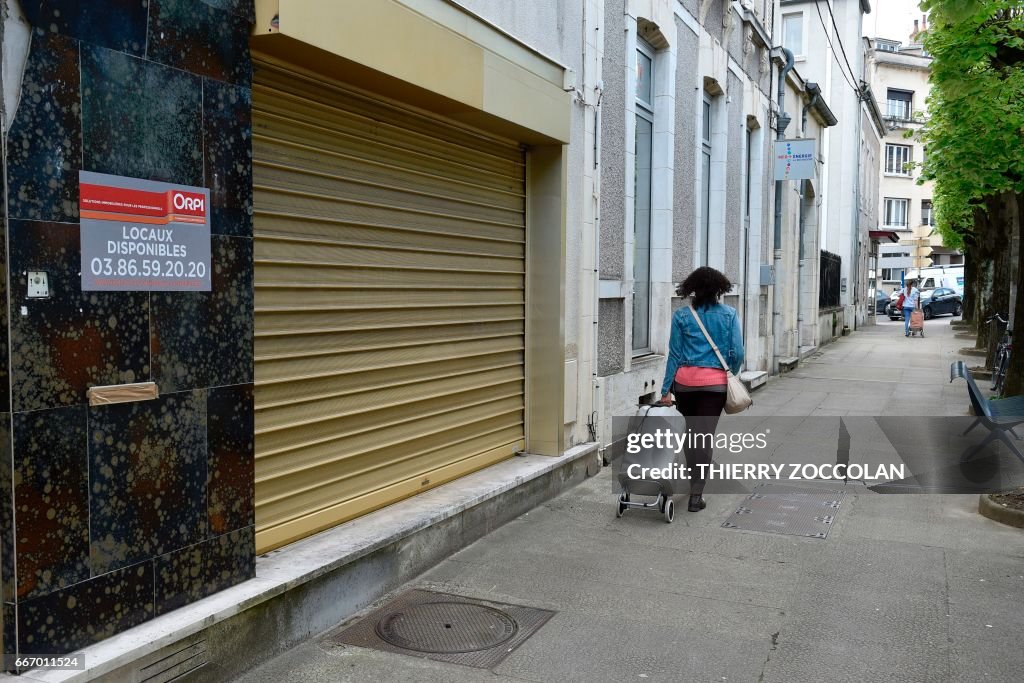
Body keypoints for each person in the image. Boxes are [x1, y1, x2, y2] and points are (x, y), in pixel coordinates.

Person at [659, 267, 744, 512]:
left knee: (690, 435)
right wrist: (729, 372)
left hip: (684, 385)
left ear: (692, 289)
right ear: (719, 289)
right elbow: (737, 352)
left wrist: (666, 390)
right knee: (704, 437)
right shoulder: (729, 315)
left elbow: (674, 355)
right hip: (714, 386)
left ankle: (693, 480)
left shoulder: (682, 316)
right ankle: (697, 493)